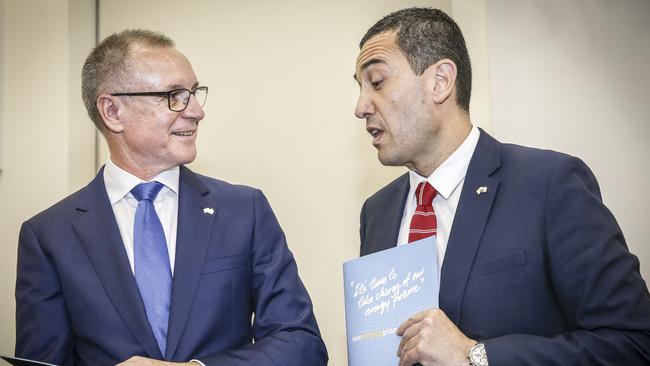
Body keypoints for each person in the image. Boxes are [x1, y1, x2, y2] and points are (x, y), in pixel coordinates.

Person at [353, 7, 650, 366]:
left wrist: (476, 356)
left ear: (440, 81)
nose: (360, 106)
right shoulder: (377, 211)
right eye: (360, 88)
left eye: (378, 82)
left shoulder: (549, 185)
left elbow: (632, 344)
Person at [15, 29, 328, 366]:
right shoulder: (48, 236)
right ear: (113, 111)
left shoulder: (243, 211)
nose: (196, 111)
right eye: (175, 96)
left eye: (194, 93)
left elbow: (301, 344)